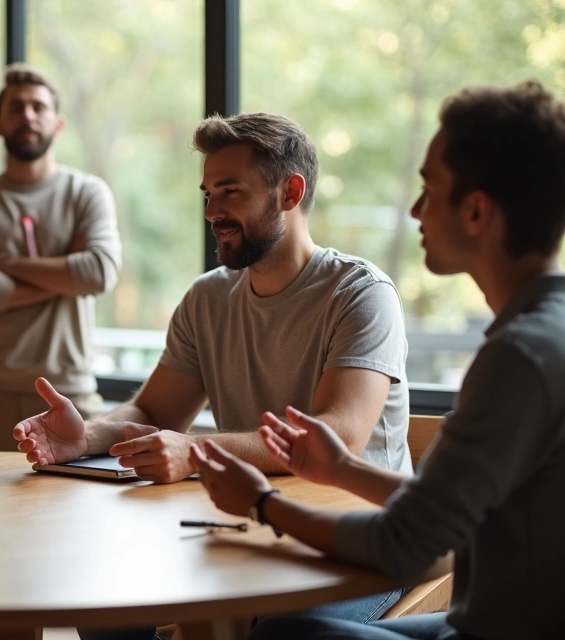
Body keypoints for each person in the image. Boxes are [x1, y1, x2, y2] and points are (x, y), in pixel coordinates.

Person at [16, 111, 412, 636]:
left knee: (281, 634)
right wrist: (88, 436)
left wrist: (195, 452)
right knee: (105, 609)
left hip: (364, 541)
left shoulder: (360, 294)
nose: (211, 211)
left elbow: (339, 436)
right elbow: (154, 411)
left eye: (230, 192)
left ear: (290, 193)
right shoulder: (208, 297)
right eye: (208, 194)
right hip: (249, 528)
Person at [194, 80, 565, 640]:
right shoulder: (540, 334)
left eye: (429, 190)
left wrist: (262, 503)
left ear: (476, 211)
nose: (415, 210)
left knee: (285, 637)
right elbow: (445, 507)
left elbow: (404, 541)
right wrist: (340, 470)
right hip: (476, 620)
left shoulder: (518, 356)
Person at [0, 63, 122, 451]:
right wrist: (65, 276)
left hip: (69, 392)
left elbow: (99, 272)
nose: (28, 115)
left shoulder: (87, 193)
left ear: (58, 123)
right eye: (16, 107)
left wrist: (7, 266)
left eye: (39, 107)